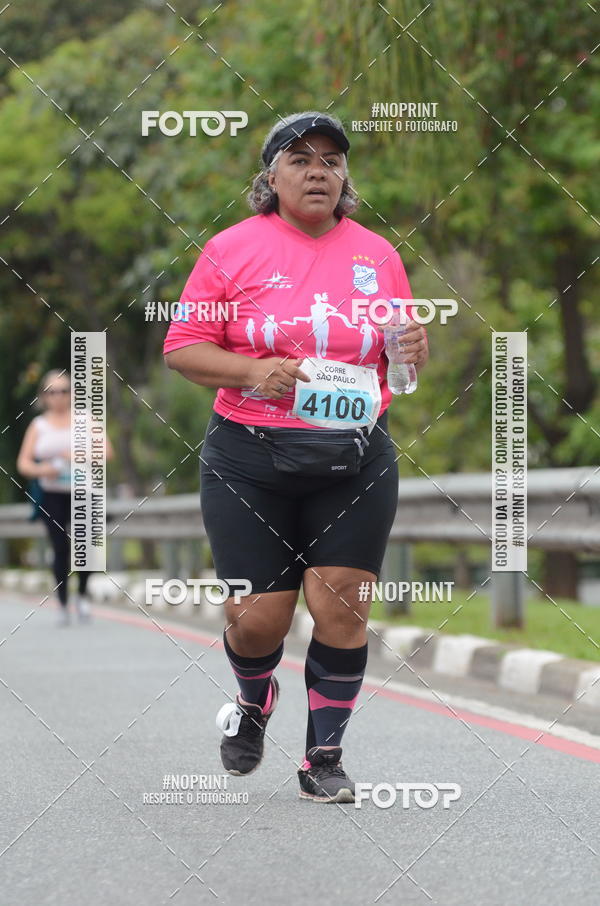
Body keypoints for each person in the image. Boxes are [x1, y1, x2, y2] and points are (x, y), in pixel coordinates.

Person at [163, 111, 429, 803]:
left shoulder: (378, 254)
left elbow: (397, 365)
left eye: (332, 160)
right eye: (301, 158)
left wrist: (411, 358)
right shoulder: (230, 249)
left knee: (341, 607)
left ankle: (325, 757)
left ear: (345, 176)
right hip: (249, 457)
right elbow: (183, 349)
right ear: (271, 175)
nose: (319, 170)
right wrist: (256, 373)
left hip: (354, 457)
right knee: (258, 621)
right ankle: (254, 702)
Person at [16, 370, 114, 626]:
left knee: (85, 548)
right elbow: (23, 463)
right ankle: (62, 601)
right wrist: (42, 469)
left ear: (72, 394)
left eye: (64, 390)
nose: (58, 396)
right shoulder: (39, 425)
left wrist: (80, 456)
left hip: (85, 492)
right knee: (60, 547)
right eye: (52, 391)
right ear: (44, 396)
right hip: (52, 494)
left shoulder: (86, 419)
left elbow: (108, 451)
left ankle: (82, 595)